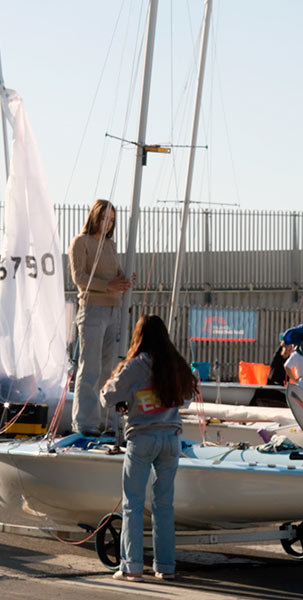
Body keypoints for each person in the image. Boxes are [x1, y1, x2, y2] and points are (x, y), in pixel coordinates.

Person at [100, 314, 197, 583]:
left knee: (132, 504)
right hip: (171, 440)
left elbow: (108, 396)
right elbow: (187, 398)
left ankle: (131, 567)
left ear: (138, 337)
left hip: (142, 439)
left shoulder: (134, 366)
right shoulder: (176, 364)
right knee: (164, 505)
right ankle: (165, 566)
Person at [69, 199, 134, 436]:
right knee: (90, 368)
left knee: (109, 369)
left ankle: (107, 422)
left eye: (113, 220)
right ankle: (85, 423)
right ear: (95, 216)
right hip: (92, 310)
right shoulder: (80, 242)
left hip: (114, 311)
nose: (108, 224)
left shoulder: (110, 245)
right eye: (105, 218)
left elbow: (116, 275)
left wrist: (125, 281)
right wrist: (109, 285)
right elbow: (80, 279)